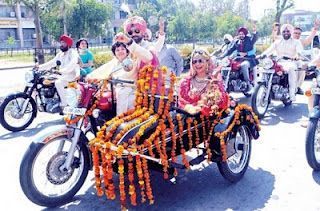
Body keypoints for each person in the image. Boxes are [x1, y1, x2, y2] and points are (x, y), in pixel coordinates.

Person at [87, 42, 135, 115]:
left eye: (123, 49)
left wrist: (115, 80)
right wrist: (90, 76)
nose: (120, 51)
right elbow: (102, 69)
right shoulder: (114, 62)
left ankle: (120, 119)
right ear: (114, 53)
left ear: (127, 51)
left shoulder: (130, 62)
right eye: (117, 50)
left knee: (122, 94)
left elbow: (127, 75)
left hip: (128, 89)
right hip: (114, 88)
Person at [260, 24, 304, 102]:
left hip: (290, 61)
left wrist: (297, 55)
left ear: (291, 32)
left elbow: (299, 51)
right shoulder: (278, 42)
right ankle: (262, 87)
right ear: (281, 32)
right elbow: (269, 49)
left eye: (288, 31)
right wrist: (262, 55)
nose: (286, 33)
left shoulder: (296, 42)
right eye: (284, 31)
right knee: (265, 67)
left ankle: (292, 93)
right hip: (279, 61)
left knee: (291, 69)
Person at [178, 48, 228, 114]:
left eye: (200, 61)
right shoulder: (186, 82)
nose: (197, 64)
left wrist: (206, 103)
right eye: (194, 62)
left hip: (209, 119)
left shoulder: (214, 80)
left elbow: (221, 100)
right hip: (188, 118)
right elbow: (181, 102)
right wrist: (189, 108)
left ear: (207, 61)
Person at [38, 34, 80, 110]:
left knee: (58, 82)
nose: (61, 44)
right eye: (61, 43)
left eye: (64, 43)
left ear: (68, 44)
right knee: (45, 80)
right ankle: (48, 100)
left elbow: (73, 64)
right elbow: (52, 63)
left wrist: (61, 71)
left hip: (70, 77)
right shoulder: (60, 54)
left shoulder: (72, 53)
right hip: (61, 76)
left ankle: (64, 104)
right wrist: (39, 67)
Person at [221, 26, 258, 91]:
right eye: (240, 34)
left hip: (249, 59)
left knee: (244, 65)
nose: (241, 35)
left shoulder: (249, 40)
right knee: (228, 64)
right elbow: (230, 50)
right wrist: (221, 56)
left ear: (245, 34)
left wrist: (255, 32)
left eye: (242, 34)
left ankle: (248, 83)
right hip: (238, 59)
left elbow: (255, 38)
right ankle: (227, 81)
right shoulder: (237, 42)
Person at [293, 20, 320, 95]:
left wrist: (315, 29)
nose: (297, 35)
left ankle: (297, 87)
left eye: (299, 34)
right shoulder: (285, 40)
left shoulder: (300, 42)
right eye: (295, 33)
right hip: (283, 61)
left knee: (302, 67)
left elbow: (309, 39)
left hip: (296, 61)